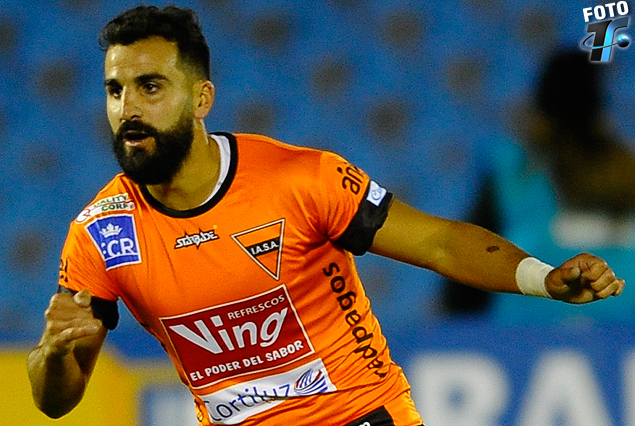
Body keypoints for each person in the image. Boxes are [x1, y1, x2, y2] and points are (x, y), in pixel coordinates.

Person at [26, 6, 625, 426]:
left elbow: (440, 243)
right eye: (115, 90)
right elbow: (55, 401)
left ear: (202, 98)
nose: (128, 108)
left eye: (150, 87)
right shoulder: (100, 233)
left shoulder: (300, 179)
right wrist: (52, 354)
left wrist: (542, 278)